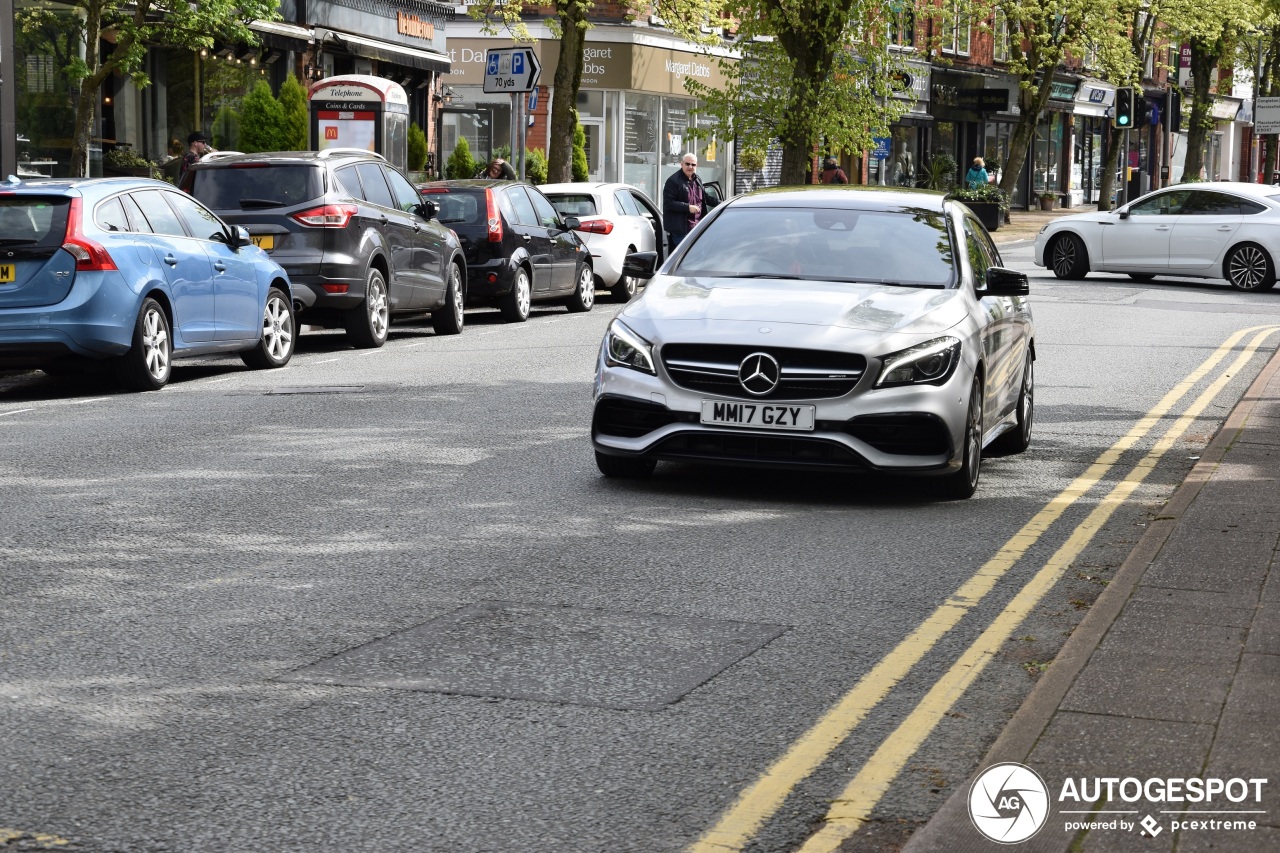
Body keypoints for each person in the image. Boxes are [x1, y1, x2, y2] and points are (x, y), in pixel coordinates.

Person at [662, 154, 718, 250]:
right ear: (681, 164)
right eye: (687, 164)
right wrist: (688, 207)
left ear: (697, 166)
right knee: (688, 258)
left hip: (697, 227)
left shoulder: (697, 180)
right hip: (682, 231)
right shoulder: (673, 181)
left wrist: (724, 204)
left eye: (693, 165)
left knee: (701, 256)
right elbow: (668, 203)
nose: (690, 167)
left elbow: (706, 198)